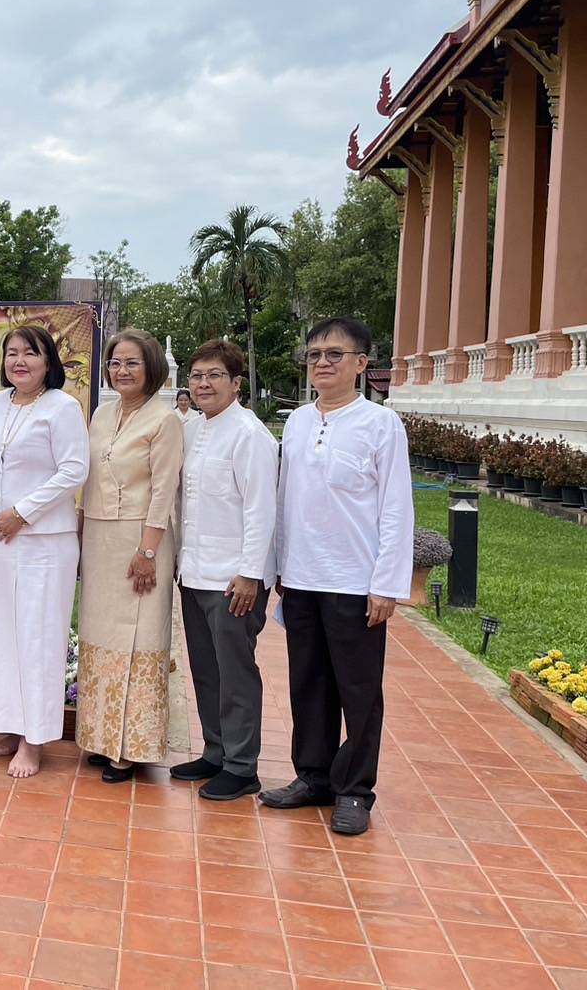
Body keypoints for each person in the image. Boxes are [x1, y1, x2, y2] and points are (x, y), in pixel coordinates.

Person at [261, 317, 413, 837]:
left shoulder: (380, 425)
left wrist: (387, 583)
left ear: (362, 363)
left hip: (356, 580)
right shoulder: (300, 422)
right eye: (315, 354)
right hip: (302, 576)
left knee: (359, 689)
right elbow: (286, 500)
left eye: (334, 354)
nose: (322, 362)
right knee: (308, 684)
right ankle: (314, 777)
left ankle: (355, 789)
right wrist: (279, 566)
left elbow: (396, 508)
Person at [0, 325, 89, 778]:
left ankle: (34, 739)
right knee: (1, 634)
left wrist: (22, 512)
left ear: (48, 362)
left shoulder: (62, 407)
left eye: (30, 353)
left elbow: (74, 469)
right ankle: (4, 723)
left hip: (44, 541)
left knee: (38, 636)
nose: (19, 361)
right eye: (12, 353)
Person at [74, 330, 183, 783]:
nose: (122, 371)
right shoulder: (102, 413)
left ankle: (131, 747)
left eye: (132, 363)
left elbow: (164, 490)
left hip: (142, 537)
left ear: (151, 367)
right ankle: (101, 739)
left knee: (137, 641)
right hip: (99, 536)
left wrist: (148, 551)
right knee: (100, 637)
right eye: (115, 363)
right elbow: (87, 479)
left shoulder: (165, 419)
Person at [171, 338, 278, 800]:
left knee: (235, 673)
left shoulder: (250, 435)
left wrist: (251, 573)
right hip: (193, 571)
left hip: (233, 579)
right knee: (206, 669)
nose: (203, 383)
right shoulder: (193, 428)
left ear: (236, 383)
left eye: (215, 375)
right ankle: (215, 750)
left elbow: (261, 510)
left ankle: (241, 764)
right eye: (196, 376)